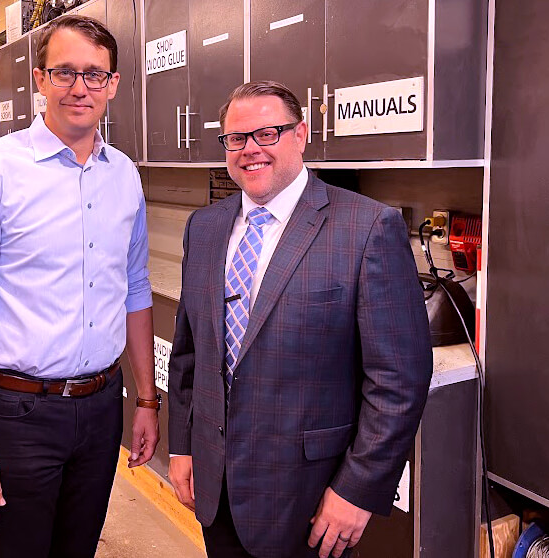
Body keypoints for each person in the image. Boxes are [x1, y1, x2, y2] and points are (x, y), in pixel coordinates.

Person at [167, 81, 433, 558]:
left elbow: (399, 381)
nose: (250, 149)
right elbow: (189, 355)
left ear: (301, 134)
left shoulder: (367, 228)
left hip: (311, 499)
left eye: (267, 133)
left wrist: (358, 489)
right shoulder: (204, 228)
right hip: (216, 488)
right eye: (236, 138)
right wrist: (183, 446)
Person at [0, 15, 161, 558]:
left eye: (94, 74)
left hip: (103, 408)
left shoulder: (124, 175)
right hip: (19, 414)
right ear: (40, 79)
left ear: (113, 84)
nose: (80, 87)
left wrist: (147, 400)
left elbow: (134, 288)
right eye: (64, 72)